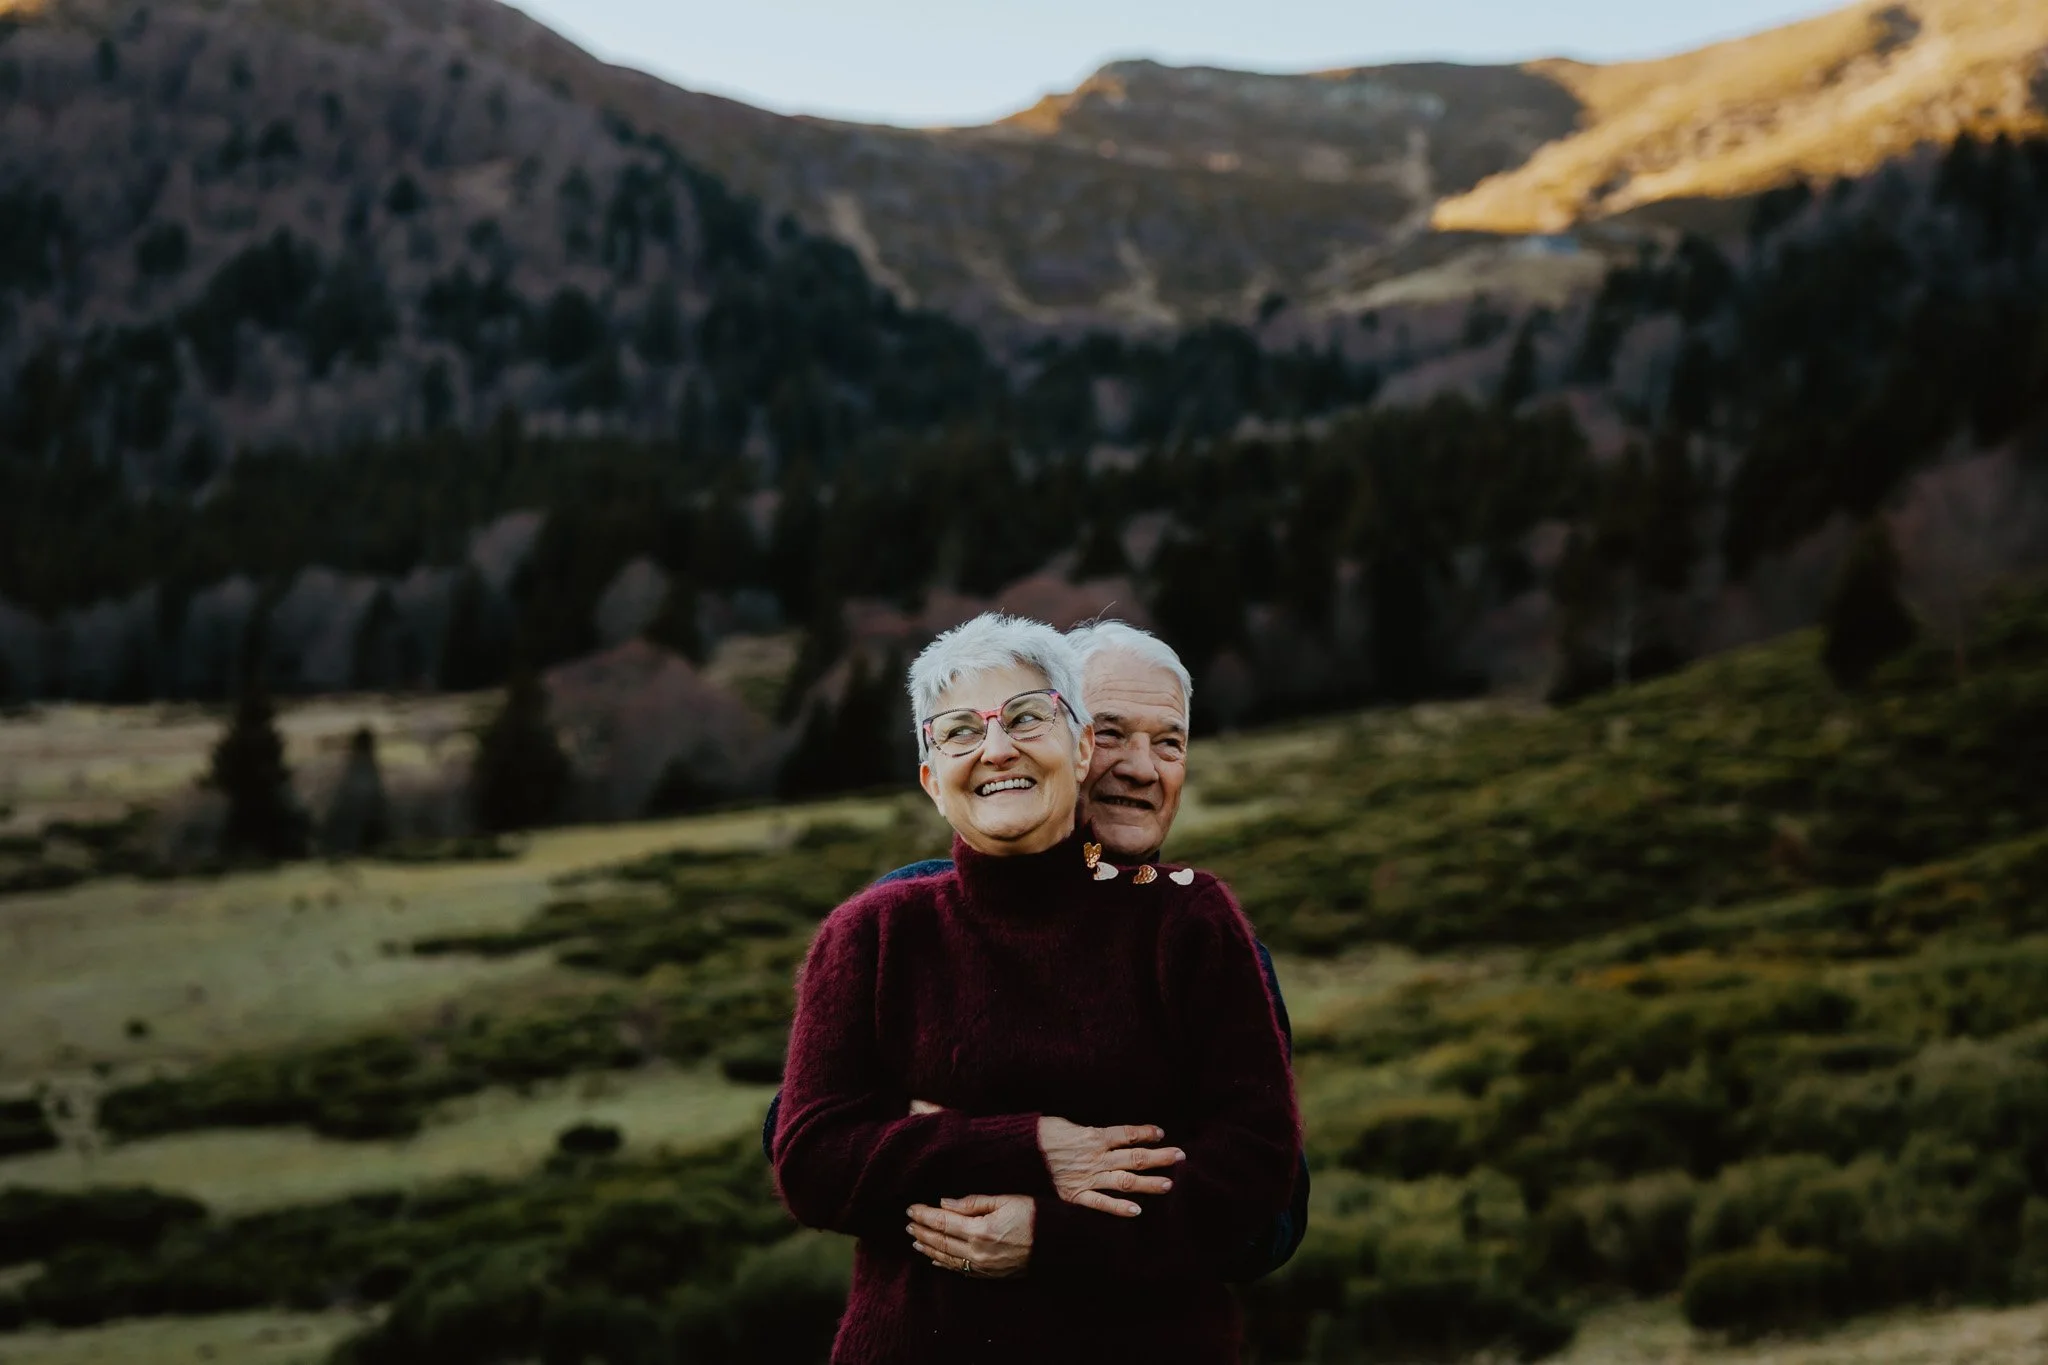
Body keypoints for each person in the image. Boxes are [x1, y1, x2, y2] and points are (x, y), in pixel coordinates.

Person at [770, 614, 1299, 1363]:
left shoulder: (1198, 926)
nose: (1139, 767)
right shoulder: (886, 923)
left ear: (1065, 744)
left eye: (1169, 740)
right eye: (1112, 730)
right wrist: (1029, 1145)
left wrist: (1051, 1236)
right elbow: (806, 1146)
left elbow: (1265, 1201)